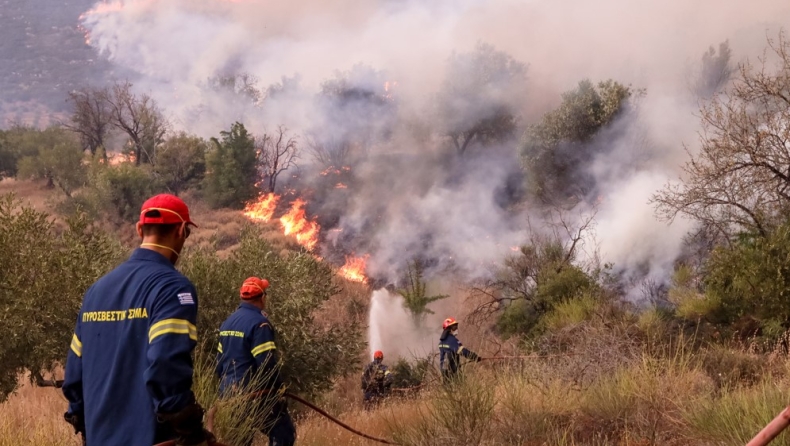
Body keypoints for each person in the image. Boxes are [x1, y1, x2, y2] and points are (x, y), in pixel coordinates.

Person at [62, 194, 214, 446]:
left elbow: (74, 373)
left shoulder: (96, 291)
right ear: (181, 231)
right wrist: (188, 428)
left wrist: (83, 419)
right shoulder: (174, 288)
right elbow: (166, 365)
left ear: (139, 229)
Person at [215, 277, 296, 446]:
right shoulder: (260, 325)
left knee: (239, 441)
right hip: (255, 396)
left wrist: (224, 390)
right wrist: (278, 389)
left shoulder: (227, 323)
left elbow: (219, 363)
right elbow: (266, 364)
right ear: (262, 297)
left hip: (228, 395)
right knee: (283, 434)